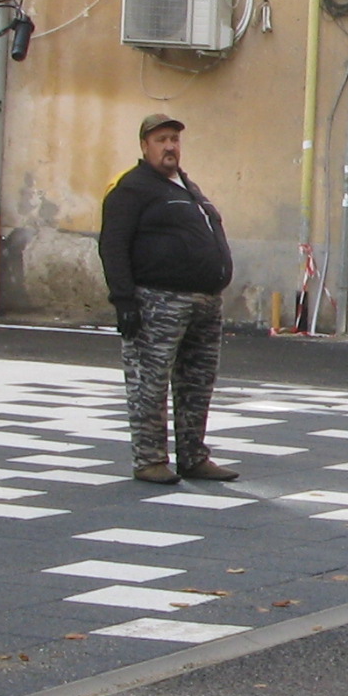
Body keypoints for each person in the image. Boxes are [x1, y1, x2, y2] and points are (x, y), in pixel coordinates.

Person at [98, 114, 237, 486]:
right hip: (158, 301)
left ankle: (193, 456)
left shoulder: (187, 187)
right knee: (150, 382)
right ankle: (149, 460)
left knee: (197, 383)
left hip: (204, 303)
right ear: (145, 146)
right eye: (161, 139)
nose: (170, 146)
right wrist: (123, 300)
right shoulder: (132, 188)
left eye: (174, 139)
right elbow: (112, 245)